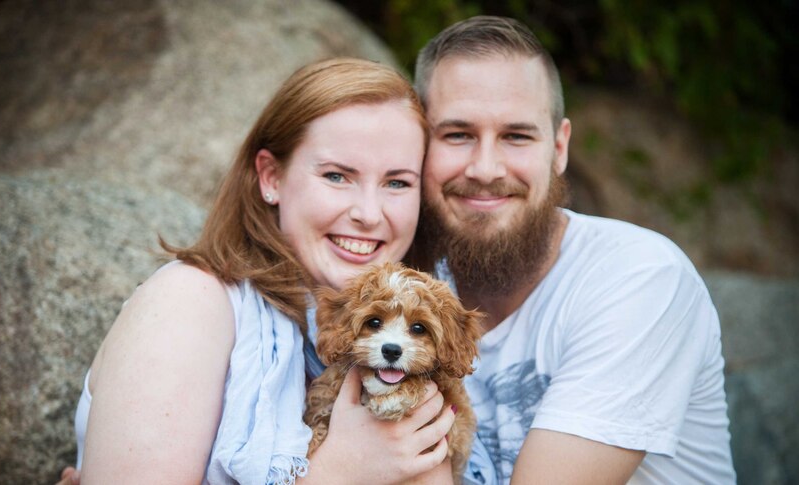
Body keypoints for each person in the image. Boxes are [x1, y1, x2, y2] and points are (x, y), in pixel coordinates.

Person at [66, 57, 457, 485]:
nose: (368, 213)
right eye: (337, 176)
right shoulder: (190, 302)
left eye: (397, 182)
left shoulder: (397, 337)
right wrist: (340, 472)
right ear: (271, 177)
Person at [409, 15, 736, 484]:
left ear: (559, 148)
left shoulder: (640, 278)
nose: (484, 167)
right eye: (457, 134)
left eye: (516, 136)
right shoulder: (406, 287)